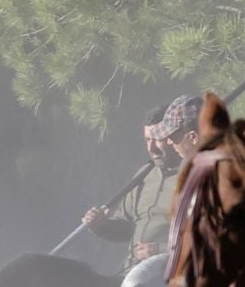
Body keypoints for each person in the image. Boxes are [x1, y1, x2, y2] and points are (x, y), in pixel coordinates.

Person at [83, 97, 201, 268]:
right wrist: (101, 226)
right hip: (131, 271)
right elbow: (126, 229)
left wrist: (160, 250)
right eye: (147, 140)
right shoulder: (144, 176)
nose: (151, 148)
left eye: (158, 139)